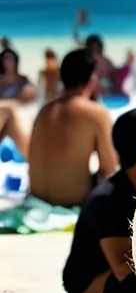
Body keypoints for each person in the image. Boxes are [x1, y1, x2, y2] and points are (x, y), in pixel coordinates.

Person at [62, 108, 136, 293]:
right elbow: (125, 269)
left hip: (121, 273)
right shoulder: (110, 199)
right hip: (92, 281)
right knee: (135, 292)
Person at [28, 49, 119, 207]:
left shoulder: (44, 111)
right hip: (69, 203)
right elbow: (109, 168)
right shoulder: (96, 113)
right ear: (91, 78)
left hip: (35, 200)